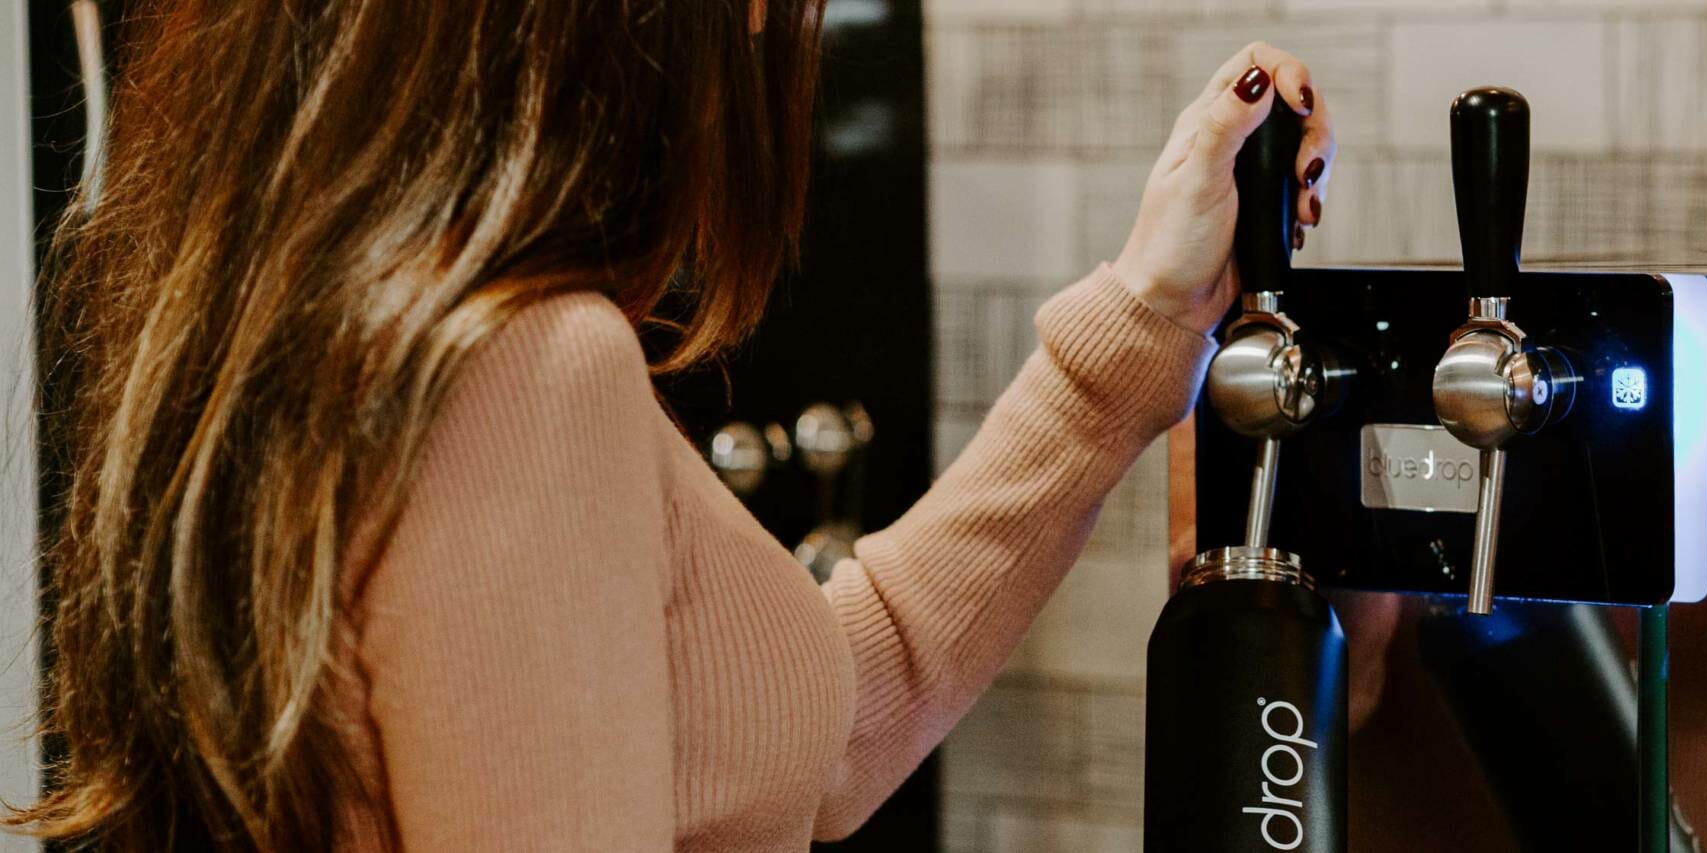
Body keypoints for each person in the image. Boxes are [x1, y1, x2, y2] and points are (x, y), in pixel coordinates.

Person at [10, 1, 1336, 849]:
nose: (767, 33)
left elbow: (828, 715)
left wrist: (1146, 312)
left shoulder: (329, 333)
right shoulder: (526, 377)